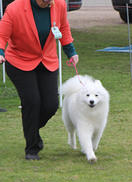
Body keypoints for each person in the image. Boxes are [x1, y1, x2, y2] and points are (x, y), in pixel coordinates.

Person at [0, 0, 79, 160]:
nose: (51, 2)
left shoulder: (59, 4)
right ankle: (32, 149)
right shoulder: (15, 8)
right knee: (32, 101)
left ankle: (32, 131)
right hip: (19, 61)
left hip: (47, 60)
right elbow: (2, 34)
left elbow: (63, 27)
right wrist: (1, 51)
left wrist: (70, 51)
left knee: (51, 105)